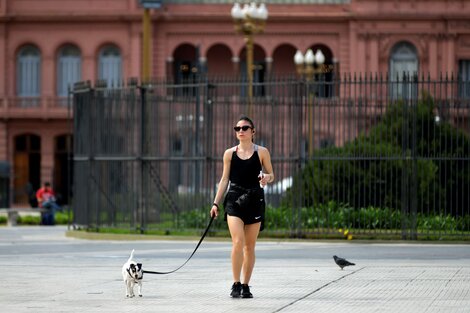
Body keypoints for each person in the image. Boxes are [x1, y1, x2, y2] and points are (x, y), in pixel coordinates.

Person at [210, 115, 274, 298]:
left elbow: (271, 174)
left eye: (245, 128)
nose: (241, 131)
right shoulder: (229, 154)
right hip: (234, 200)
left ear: (253, 131)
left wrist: (266, 178)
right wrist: (215, 203)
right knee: (238, 241)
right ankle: (236, 283)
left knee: (249, 246)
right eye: (237, 129)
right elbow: (224, 180)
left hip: (255, 200)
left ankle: (246, 285)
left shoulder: (262, 152)